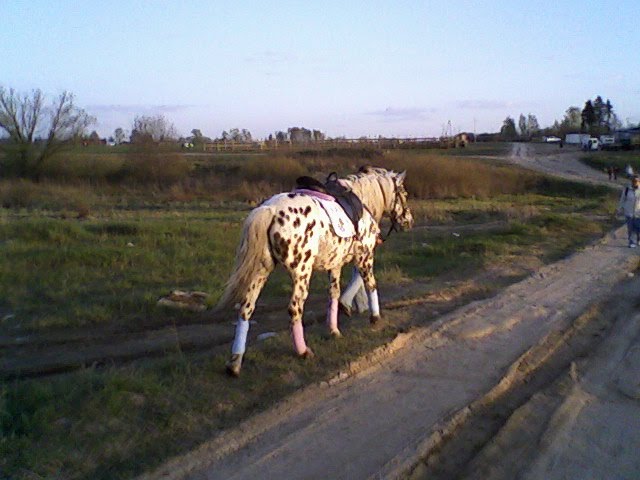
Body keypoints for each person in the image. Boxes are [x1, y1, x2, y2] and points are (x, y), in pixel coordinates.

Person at [617, 175, 640, 248]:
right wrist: (619, 209)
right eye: (633, 181)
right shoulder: (627, 189)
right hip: (629, 212)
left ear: (639, 182)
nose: (634, 182)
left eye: (636, 181)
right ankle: (631, 242)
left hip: (638, 213)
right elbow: (622, 200)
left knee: (638, 228)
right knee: (630, 228)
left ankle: (638, 239)